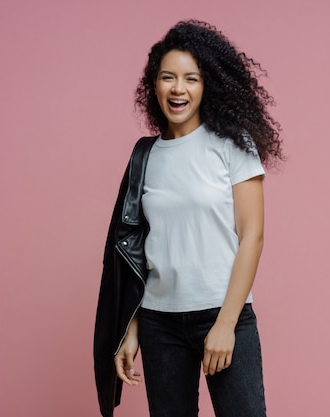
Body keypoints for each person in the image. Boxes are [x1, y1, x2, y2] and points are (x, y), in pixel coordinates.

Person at [93, 20, 283, 417]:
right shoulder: (145, 156)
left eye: (190, 79)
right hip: (159, 324)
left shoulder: (233, 145)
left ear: (206, 85)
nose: (178, 88)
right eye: (168, 78)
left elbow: (253, 236)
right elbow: (136, 246)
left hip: (223, 312)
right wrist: (130, 331)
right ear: (154, 85)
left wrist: (226, 325)